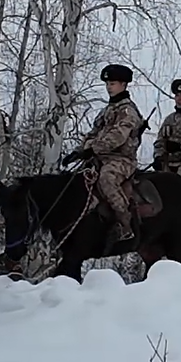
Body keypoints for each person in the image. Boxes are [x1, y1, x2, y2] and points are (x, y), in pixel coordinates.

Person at [61, 64, 144, 247]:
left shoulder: (128, 111)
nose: (108, 87)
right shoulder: (107, 110)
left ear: (123, 84)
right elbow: (93, 133)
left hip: (122, 159)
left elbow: (118, 137)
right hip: (99, 157)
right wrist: (78, 152)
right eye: (107, 84)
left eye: (112, 83)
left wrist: (93, 149)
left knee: (107, 179)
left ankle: (125, 224)